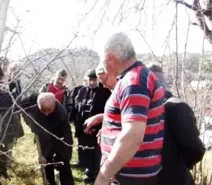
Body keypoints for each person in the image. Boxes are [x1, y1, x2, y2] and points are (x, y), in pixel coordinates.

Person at [85, 32, 165, 185]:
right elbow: (135, 120)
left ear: (110, 58)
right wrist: (110, 127)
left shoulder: (133, 82)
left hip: (129, 176)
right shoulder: (137, 77)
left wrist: (103, 176)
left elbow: (132, 136)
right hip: (132, 174)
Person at [147, 63, 206, 185]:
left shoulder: (175, 107)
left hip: (172, 177)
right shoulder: (143, 109)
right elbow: (195, 149)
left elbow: (194, 149)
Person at [19, 92, 74, 185]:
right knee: (47, 162)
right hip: (42, 132)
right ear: (37, 103)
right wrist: (31, 123)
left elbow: (51, 138)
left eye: (49, 110)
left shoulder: (60, 114)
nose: (47, 113)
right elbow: (21, 107)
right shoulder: (31, 98)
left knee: (63, 161)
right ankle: (49, 182)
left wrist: (44, 154)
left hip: (60, 136)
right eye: (43, 110)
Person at [74, 69, 111, 184]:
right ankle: (86, 166)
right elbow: (77, 105)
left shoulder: (105, 92)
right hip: (83, 126)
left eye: (94, 80)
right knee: (85, 147)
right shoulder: (82, 90)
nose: (92, 82)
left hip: (97, 127)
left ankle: (93, 174)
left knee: (95, 150)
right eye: (90, 80)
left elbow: (107, 111)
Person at [69, 76, 87, 167]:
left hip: (89, 120)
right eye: (86, 80)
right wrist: (71, 119)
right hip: (79, 120)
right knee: (80, 141)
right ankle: (81, 161)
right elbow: (72, 105)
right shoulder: (78, 90)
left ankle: (89, 163)